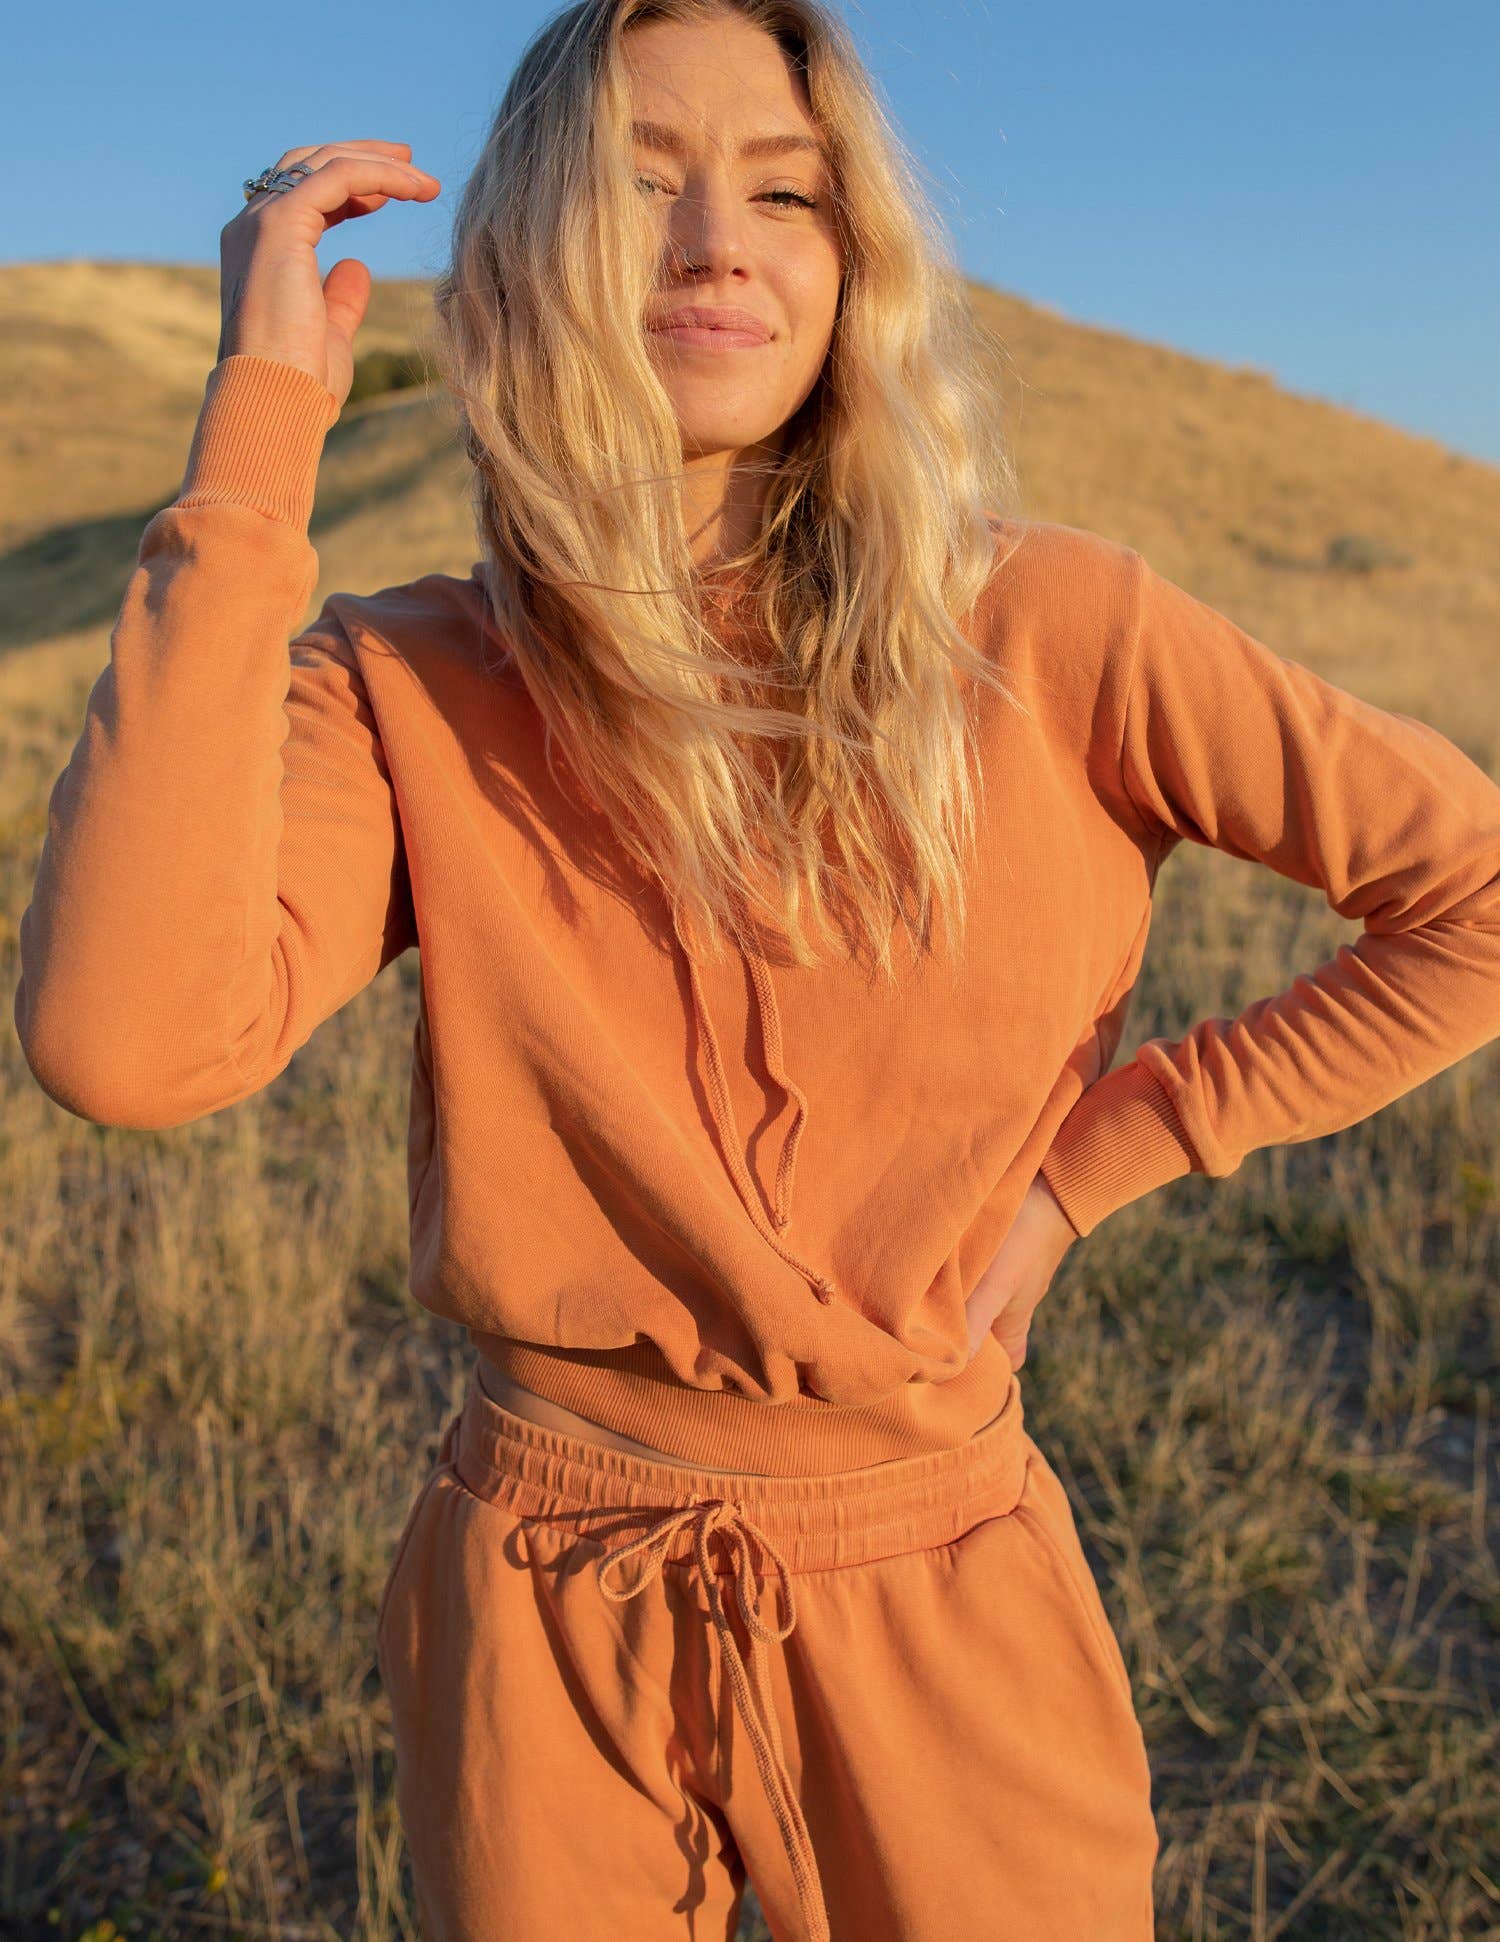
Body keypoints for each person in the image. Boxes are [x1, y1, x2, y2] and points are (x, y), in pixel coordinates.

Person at [14, 0, 1500, 1936]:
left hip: (943, 1602)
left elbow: (1470, 893)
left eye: (784, 194)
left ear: (851, 259)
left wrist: (1102, 1166)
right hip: (543, 1617)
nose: (717, 241)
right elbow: (121, 1041)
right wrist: (253, 445)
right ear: (529, 258)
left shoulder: (1049, 627)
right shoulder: (402, 683)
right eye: (640, 187)